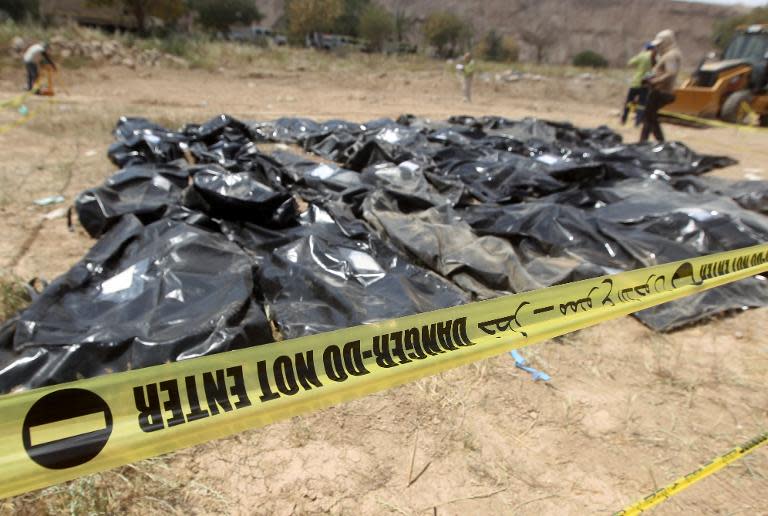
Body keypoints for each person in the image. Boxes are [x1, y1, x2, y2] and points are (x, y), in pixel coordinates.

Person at [640, 29, 682, 143]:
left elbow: (670, 73)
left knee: (650, 117)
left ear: (666, 42)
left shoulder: (671, 55)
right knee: (649, 117)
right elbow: (659, 70)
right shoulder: (668, 54)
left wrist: (655, 81)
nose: (658, 47)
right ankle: (644, 141)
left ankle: (659, 142)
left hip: (661, 91)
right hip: (659, 89)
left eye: (660, 44)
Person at [622, 42, 655, 126]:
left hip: (636, 82)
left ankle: (624, 119)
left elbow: (630, 63)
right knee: (642, 104)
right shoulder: (655, 57)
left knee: (629, 101)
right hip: (646, 83)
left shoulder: (642, 55)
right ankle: (638, 122)